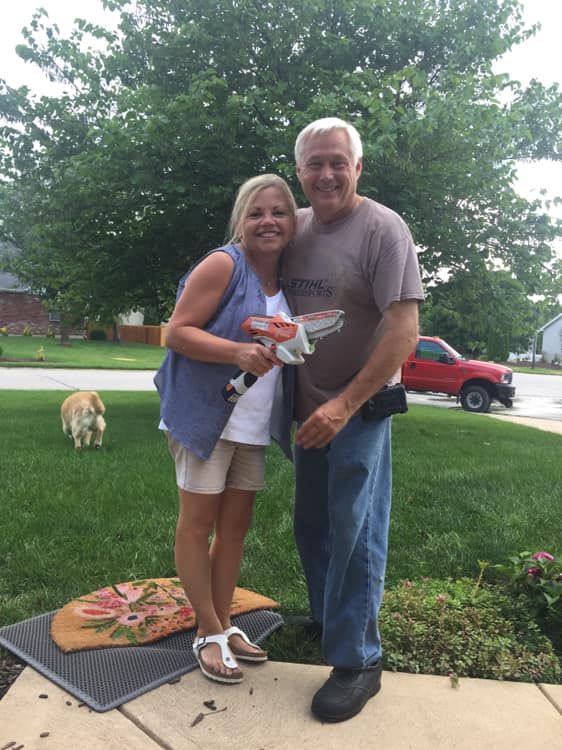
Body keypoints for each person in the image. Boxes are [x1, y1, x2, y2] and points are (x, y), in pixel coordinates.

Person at [282, 117, 424, 722]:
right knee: (312, 525)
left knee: (355, 531)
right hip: (308, 409)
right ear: (299, 171)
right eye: (314, 163)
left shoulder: (384, 230)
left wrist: (344, 406)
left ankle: (360, 658)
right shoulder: (294, 227)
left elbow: (403, 330)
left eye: (337, 161)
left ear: (358, 167)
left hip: (360, 409)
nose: (326, 174)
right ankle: (327, 619)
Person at [154, 174, 296, 685]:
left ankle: (223, 620)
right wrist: (237, 352)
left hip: (251, 425)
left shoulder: (287, 281)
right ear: (240, 220)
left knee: (234, 528)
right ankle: (207, 631)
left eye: (279, 212)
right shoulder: (224, 264)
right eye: (256, 212)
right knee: (197, 524)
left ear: (293, 221)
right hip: (204, 417)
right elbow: (176, 332)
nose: (268, 221)